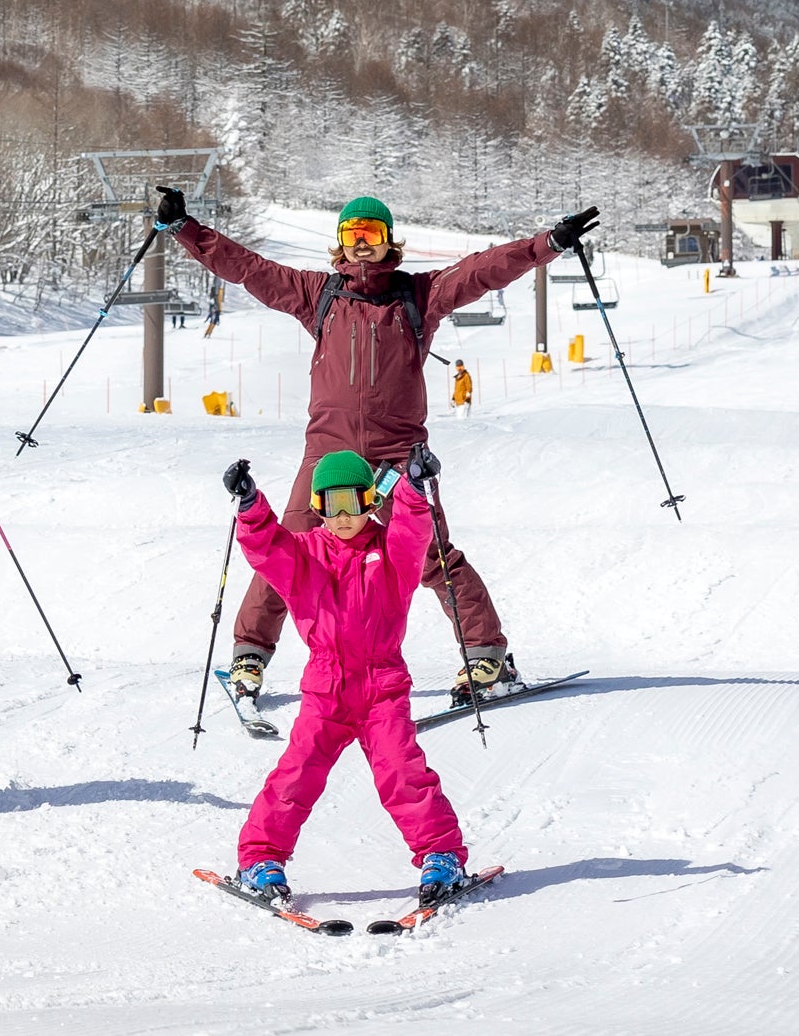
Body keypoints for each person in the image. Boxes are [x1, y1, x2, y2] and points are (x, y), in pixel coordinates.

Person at [155, 186, 595, 705]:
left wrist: (548, 243)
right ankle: (250, 654)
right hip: (328, 457)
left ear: (391, 243)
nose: (362, 246)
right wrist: (185, 229)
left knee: (430, 555)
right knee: (285, 548)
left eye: (373, 235)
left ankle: (485, 655)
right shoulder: (317, 294)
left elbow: (482, 270)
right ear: (339, 244)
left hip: (396, 457)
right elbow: (247, 268)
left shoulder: (418, 296)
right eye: (352, 235)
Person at [222, 445, 470, 907]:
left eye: (351, 503)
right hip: (325, 690)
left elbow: (412, 533)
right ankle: (260, 857)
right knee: (296, 775)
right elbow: (265, 546)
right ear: (317, 508)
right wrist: (250, 503)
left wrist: (416, 489)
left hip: (382, 687)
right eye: (329, 505)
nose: (340, 516)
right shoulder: (304, 554)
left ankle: (441, 854)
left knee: (403, 773)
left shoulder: (390, 553)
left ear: (370, 500)